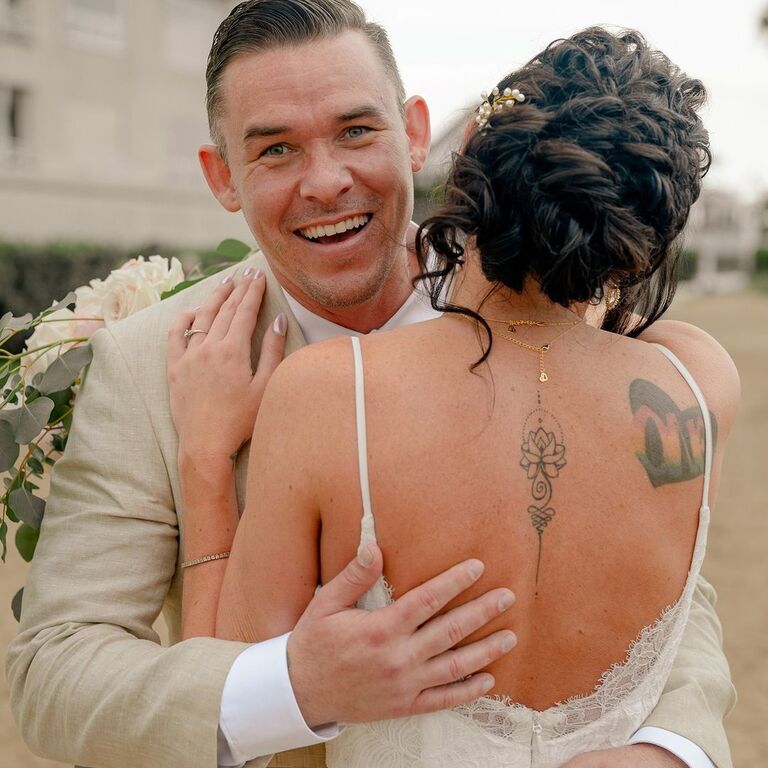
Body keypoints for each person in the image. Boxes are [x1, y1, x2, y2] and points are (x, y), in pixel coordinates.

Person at [5, 2, 734, 768]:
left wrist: (670, 748)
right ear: (222, 177)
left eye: (356, 132)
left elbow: (676, 587)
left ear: (416, 133)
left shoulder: (564, 295)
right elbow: (55, 672)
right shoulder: (147, 362)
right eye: (276, 149)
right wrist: (292, 688)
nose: (326, 182)